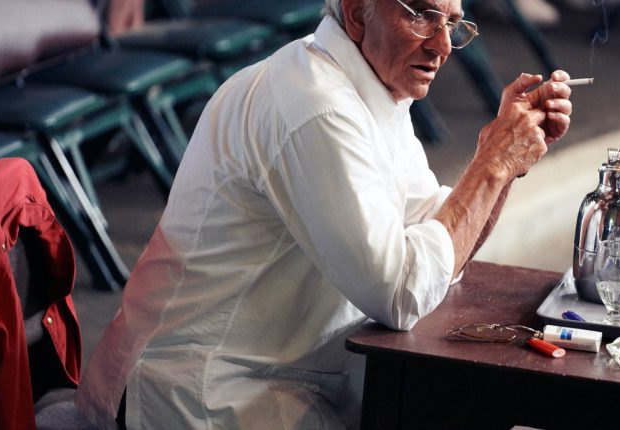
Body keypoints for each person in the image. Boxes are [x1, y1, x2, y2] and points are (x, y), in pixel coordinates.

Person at [76, 0, 572, 428]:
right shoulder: (319, 106)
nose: (442, 46)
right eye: (422, 16)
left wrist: (505, 162)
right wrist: (492, 164)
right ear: (356, 13)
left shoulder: (370, 86)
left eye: (453, 24)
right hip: (198, 390)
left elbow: (441, 250)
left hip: (267, 377)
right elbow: (401, 292)